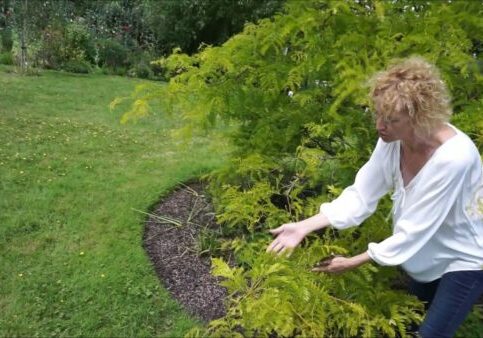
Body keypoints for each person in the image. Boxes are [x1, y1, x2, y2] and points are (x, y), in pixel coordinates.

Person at [267, 57, 483, 338]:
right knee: (406, 325)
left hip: (464, 258)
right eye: (377, 114)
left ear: (420, 117)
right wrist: (305, 225)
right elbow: (361, 195)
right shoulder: (393, 142)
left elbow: (415, 228)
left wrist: (353, 261)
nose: (380, 126)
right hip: (425, 256)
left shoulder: (455, 158)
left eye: (391, 120)